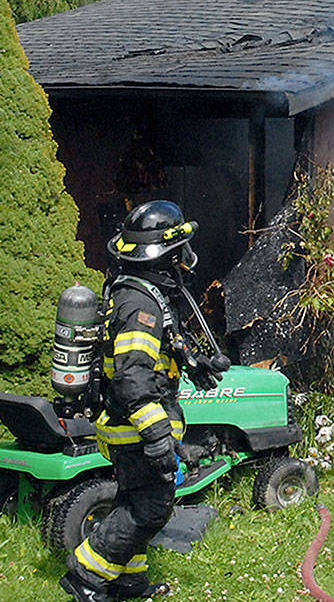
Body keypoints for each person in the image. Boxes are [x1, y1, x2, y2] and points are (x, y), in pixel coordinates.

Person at [61, 201, 208, 602]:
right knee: (150, 510)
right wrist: (159, 436)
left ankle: (128, 583)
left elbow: (156, 353)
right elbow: (131, 377)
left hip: (131, 427)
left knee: (133, 501)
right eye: (181, 251)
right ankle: (86, 577)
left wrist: (196, 362)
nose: (186, 260)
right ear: (164, 255)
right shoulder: (139, 304)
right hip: (135, 429)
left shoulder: (140, 292)